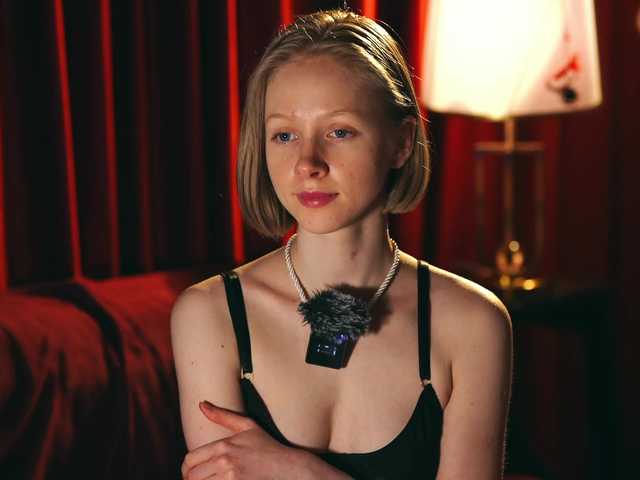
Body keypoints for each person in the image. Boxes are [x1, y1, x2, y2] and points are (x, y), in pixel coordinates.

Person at [171, 8, 512, 480]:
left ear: (401, 142)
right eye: (284, 135)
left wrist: (299, 472)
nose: (307, 163)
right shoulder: (210, 313)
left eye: (339, 131)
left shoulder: (473, 324)